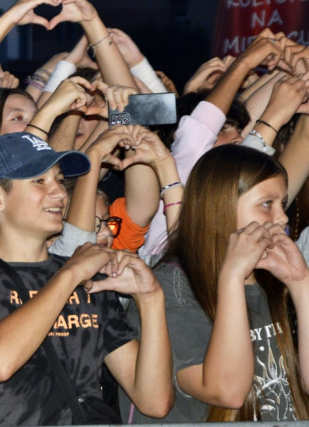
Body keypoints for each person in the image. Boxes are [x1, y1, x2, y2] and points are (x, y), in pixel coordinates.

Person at [0, 132, 173, 426]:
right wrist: (71, 273)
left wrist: (151, 298)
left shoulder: (90, 278)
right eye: (39, 181)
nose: (60, 193)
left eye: (60, 180)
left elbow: (154, 401)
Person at [123, 145, 309, 422]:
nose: (281, 218)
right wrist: (232, 277)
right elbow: (227, 392)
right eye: (267, 203)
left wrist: (301, 284)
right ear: (220, 206)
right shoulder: (172, 286)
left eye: (282, 204)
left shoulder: (271, 276)